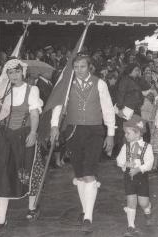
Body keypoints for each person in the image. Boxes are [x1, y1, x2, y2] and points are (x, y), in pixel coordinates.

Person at [49, 55, 115, 233]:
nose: (79, 70)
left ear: (90, 67)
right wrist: (54, 126)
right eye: (76, 66)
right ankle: (85, 210)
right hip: (73, 131)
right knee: (79, 174)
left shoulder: (100, 83)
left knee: (89, 172)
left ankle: (88, 216)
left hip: (94, 131)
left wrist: (111, 134)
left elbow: (108, 109)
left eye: (82, 66)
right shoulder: (67, 84)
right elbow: (58, 106)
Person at [0, 59, 44, 234]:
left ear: (22, 72)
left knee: (27, 171)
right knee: (1, 173)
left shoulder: (32, 89)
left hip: (24, 135)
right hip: (4, 137)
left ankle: (31, 207)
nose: (13, 75)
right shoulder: (1, 91)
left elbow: (34, 114)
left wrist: (33, 132)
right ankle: (1, 219)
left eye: (16, 72)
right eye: (10, 72)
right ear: (6, 74)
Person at [116, 115, 154, 236]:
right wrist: (124, 163)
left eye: (128, 133)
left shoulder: (147, 147)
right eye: (125, 133)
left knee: (143, 202)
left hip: (141, 177)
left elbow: (149, 163)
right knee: (131, 201)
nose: (125, 135)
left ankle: (147, 209)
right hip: (128, 177)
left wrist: (139, 169)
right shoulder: (125, 147)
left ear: (138, 134)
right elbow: (118, 159)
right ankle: (131, 225)